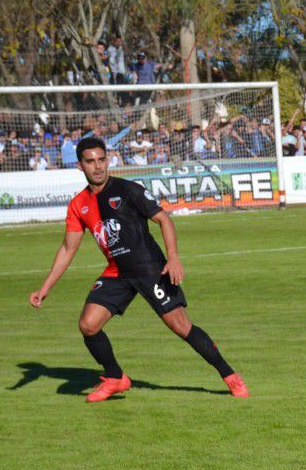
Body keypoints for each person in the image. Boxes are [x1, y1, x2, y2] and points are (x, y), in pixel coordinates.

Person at [28, 137, 248, 402]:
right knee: (88, 325)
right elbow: (67, 248)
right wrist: (45, 287)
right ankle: (115, 377)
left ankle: (230, 375)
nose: (97, 166)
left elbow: (163, 219)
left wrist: (174, 258)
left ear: (107, 160)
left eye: (101, 159)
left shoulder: (128, 190)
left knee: (180, 326)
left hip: (150, 268)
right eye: (90, 161)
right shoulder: (78, 205)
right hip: (117, 272)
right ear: (80, 166)